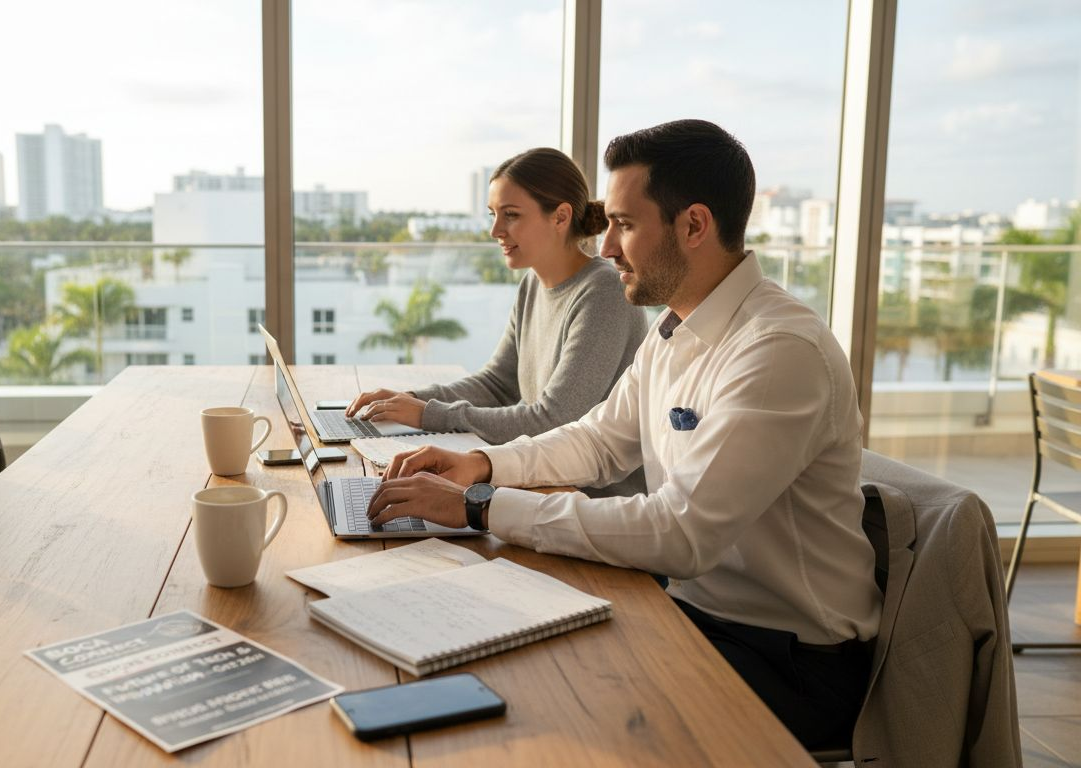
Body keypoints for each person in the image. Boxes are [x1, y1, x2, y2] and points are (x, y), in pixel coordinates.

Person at [365, 120, 881, 750]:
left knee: (562, 707)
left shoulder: (778, 352)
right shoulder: (674, 330)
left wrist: (481, 507)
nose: (606, 247)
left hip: (790, 658)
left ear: (694, 225)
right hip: (695, 613)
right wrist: (481, 465)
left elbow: (681, 533)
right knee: (512, 659)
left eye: (625, 225)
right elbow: (598, 442)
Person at [346, 148, 647, 496]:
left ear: (561, 217)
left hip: (587, 505)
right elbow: (496, 383)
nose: (495, 230)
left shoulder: (604, 292)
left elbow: (553, 419)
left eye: (511, 215)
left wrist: (429, 414)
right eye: (493, 215)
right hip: (536, 487)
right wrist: (408, 401)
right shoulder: (533, 284)